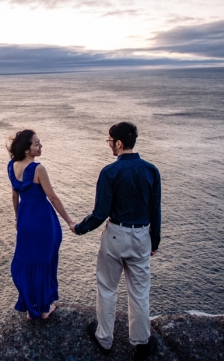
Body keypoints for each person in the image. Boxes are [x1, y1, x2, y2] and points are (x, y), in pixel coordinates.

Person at [72, 122, 161, 360]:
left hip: (115, 235)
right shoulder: (152, 170)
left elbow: (100, 213)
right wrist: (155, 241)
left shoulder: (109, 172)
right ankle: (141, 342)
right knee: (140, 291)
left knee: (107, 287)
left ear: (119, 143)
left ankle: (104, 338)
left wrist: (80, 228)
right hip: (141, 235)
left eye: (110, 141)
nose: (109, 145)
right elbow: (155, 210)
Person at [7, 129, 76, 320]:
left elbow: (15, 195)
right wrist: (69, 220)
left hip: (24, 217)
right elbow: (52, 197)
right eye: (36, 144)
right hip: (42, 219)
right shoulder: (38, 169)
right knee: (45, 261)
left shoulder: (12, 166)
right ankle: (44, 309)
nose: (40, 146)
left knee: (27, 261)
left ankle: (31, 308)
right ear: (27, 149)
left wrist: (17, 218)